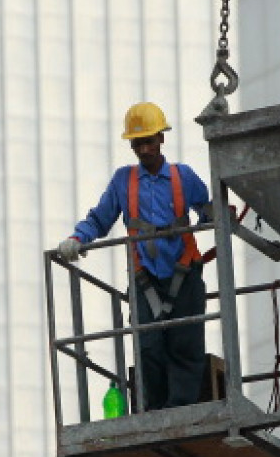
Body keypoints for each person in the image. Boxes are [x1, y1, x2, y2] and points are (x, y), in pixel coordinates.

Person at [56, 102, 212, 411]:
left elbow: (206, 208)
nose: (143, 149)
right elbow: (100, 219)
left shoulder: (183, 177)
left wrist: (218, 216)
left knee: (185, 344)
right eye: (137, 143)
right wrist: (77, 238)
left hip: (184, 272)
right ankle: (154, 413)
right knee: (148, 348)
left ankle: (181, 411)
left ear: (161, 139)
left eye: (148, 141)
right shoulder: (123, 181)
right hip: (146, 279)